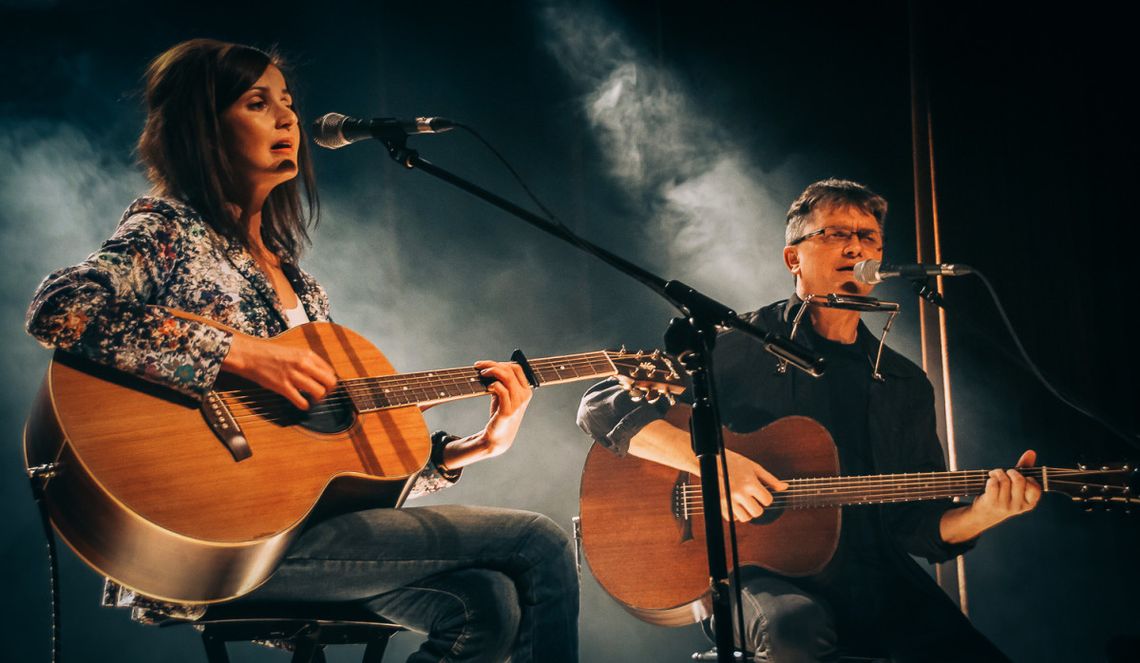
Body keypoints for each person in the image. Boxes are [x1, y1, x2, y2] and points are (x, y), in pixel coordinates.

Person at [25, 39, 578, 663]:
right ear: (202, 126)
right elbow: (62, 307)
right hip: (219, 538)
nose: (287, 118)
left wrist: (472, 449)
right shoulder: (170, 228)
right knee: (539, 541)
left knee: (487, 604)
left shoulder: (303, 287)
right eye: (257, 103)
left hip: (308, 536)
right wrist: (239, 354)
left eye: (287, 102)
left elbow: (338, 470)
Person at [577, 179, 1040, 662]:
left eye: (869, 237)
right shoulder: (738, 344)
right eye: (836, 233)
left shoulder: (903, 382)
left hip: (873, 575)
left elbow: (916, 524)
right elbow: (603, 405)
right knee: (793, 630)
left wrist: (987, 513)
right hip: (754, 575)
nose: (856, 247)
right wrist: (714, 468)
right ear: (792, 258)